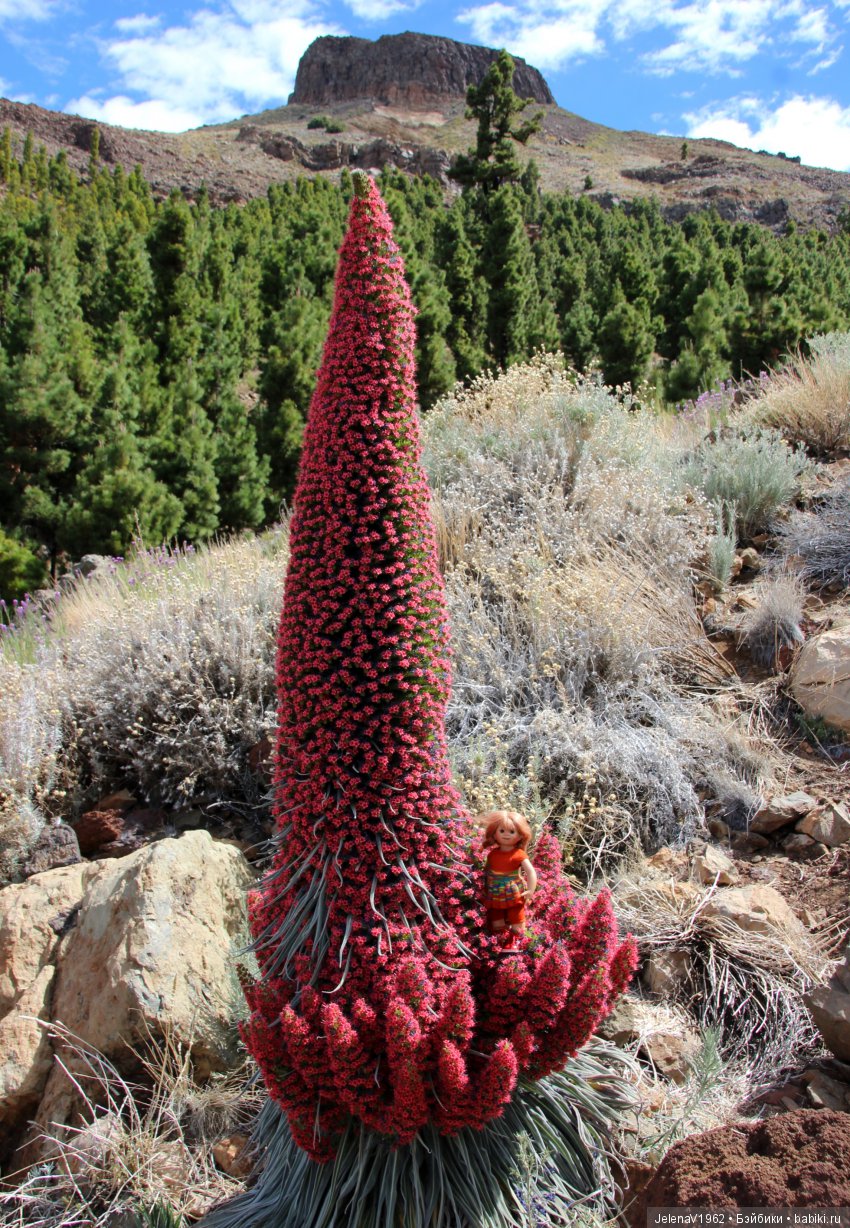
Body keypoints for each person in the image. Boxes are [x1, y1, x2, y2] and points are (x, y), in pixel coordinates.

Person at [479, 809, 537, 945]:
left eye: (512, 832)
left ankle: (519, 943)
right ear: (494, 833)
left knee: (517, 919)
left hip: (514, 892)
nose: (506, 835)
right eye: (502, 831)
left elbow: (531, 872)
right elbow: (486, 871)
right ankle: (499, 945)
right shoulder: (492, 854)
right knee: (496, 921)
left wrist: (530, 890)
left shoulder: (519, 854)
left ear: (520, 835)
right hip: (494, 893)